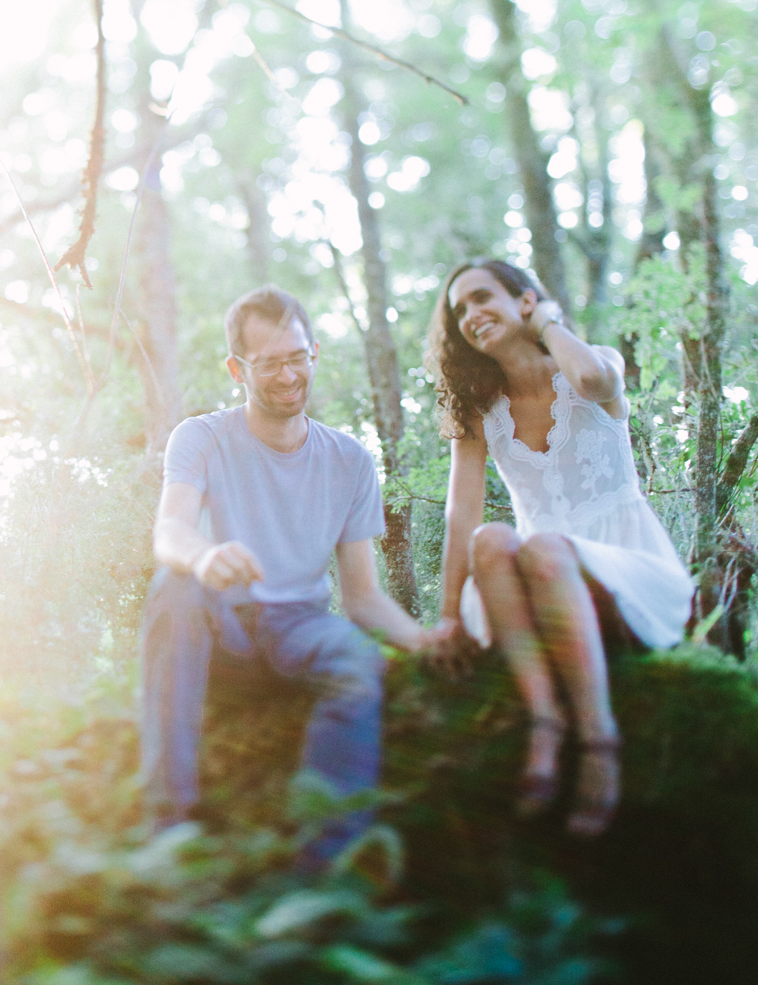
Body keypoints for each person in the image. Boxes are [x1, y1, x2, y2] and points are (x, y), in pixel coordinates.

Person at [141, 285, 425, 863]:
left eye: (297, 358)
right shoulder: (201, 437)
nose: (288, 375)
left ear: (314, 352)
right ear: (236, 368)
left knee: (356, 658)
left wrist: (424, 641)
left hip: (302, 628)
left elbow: (363, 597)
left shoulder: (349, 460)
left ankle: (326, 865)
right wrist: (202, 556)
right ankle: (168, 827)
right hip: (228, 631)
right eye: (269, 363)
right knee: (174, 585)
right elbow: (169, 532)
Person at [425, 259, 694, 837]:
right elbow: (461, 513)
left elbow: (597, 383)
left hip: (625, 569)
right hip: (539, 586)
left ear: (525, 301)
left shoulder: (592, 363)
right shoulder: (480, 411)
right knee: (495, 538)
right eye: (460, 311)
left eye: (482, 298)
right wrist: (448, 615)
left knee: (545, 548)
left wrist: (548, 323)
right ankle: (545, 721)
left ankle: (600, 740)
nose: (471, 316)